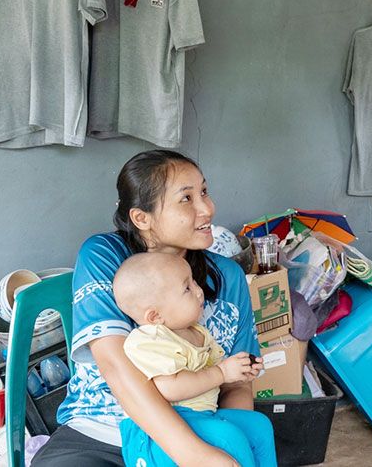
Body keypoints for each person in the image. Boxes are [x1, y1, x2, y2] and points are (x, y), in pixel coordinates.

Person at [32, 150, 264, 467]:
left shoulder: (229, 278)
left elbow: (236, 384)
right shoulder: (105, 256)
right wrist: (197, 457)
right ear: (142, 218)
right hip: (102, 434)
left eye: (205, 192)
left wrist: (229, 446)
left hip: (200, 429)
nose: (207, 208)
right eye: (187, 198)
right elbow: (116, 367)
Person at [113, 252, 276, 467]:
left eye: (194, 282)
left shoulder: (198, 333)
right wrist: (222, 373)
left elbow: (217, 373)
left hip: (201, 416)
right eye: (187, 288)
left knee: (259, 426)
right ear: (155, 317)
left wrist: (240, 369)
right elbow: (171, 388)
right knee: (228, 437)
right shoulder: (148, 340)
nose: (200, 291)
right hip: (158, 432)